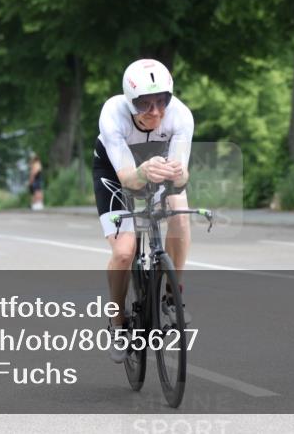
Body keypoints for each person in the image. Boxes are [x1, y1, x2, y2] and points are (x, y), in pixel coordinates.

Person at [93, 58, 193, 362]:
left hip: (158, 168)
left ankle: (172, 295)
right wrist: (143, 171)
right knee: (124, 251)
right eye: (145, 105)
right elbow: (128, 179)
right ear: (130, 102)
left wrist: (178, 174)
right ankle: (117, 323)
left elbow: (182, 177)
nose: (155, 112)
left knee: (180, 215)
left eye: (161, 102)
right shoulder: (113, 114)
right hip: (116, 171)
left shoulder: (181, 116)